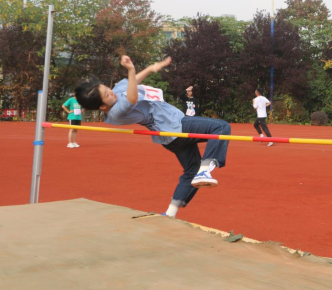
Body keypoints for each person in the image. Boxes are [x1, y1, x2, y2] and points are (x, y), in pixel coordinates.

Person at [75, 55, 231, 218]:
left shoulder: (116, 91)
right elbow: (132, 98)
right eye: (107, 95)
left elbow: (133, 81)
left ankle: (170, 213)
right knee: (220, 127)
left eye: (108, 88)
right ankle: (205, 170)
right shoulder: (115, 113)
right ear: (102, 106)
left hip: (170, 137)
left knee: (192, 170)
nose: (112, 92)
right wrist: (131, 69)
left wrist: (151, 68)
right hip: (175, 126)